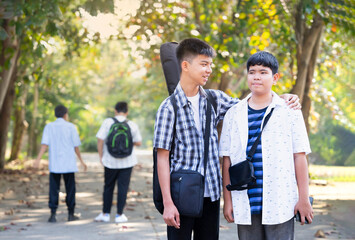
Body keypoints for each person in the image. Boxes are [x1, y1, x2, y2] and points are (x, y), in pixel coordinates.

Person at [153, 38, 301, 240]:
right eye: (204, 64)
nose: (209, 70)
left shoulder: (215, 99)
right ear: (185, 66)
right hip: (181, 195)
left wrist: (282, 96)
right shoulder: (168, 108)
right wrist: (168, 203)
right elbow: (162, 158)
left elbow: (251, 103)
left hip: (211, 195)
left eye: (210, 65)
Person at [220, 51, 313, 240]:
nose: (257, 76)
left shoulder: (289, 111)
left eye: (263, 72)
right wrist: (227, 201)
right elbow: (227, 160)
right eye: (252, 71)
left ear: (275, 77)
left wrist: (303, 199)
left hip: (281, 200)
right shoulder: (233, 114)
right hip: (245, 199)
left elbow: (299, 156)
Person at [34, 105, 87, 223]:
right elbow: (76, 146)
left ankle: (53, 215)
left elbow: (44, 144)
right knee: (70, 189)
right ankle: (70, 214)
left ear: (55, 114)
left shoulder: (49, 127)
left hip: (55, 164)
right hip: (69, 164)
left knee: (54, 189)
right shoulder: (71, 127)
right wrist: (82, 161)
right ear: (65, 115)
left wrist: (38, 159)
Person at [94, 101, 142, 223]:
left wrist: (101, 156)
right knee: (123, 188)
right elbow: (139, 142)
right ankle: (120, 215)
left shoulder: (107, 122)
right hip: (127, 162)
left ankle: (105, 214)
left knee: (108, 187)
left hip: (110, 161)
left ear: (115, 111)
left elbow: (100, 140)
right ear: (127, 112)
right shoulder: (131, 124)